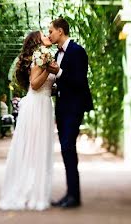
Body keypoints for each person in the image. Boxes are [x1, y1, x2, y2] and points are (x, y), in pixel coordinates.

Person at [0, 31, 57, 210]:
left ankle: (38, 191)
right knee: (33, 148)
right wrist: (48, 68)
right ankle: (31, 193)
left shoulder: (43, 56)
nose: (48, 35)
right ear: (37, 42)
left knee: (41, 147)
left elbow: (47, 86)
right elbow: (35, 84)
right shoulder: (40, 57)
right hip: (36, 106)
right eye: (44, 34)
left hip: (44, 104)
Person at [47, 17, 93, 209]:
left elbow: (80, 81)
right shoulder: (57, 54)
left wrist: (59, 73)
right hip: (62, 108)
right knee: (67, 151)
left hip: (75, 108)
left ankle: (74, 196)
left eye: (51, 31)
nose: (49, 35)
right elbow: (62, 83)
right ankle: (70, 194)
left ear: (60, 31)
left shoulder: (77, 51)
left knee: (67, 147)